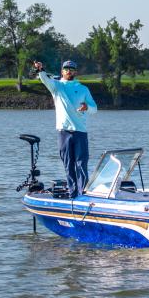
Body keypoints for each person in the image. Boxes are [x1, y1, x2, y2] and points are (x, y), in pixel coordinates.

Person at [34, 59, 98, 198]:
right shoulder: (56, 86)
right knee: (68, 164)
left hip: (80, 131)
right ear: (62, 71)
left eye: (71, 69)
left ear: (75, 72)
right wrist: (40, 69)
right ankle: (73, 192)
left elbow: (94, 108)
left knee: (81, 164)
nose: (69, 71)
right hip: (63, 132)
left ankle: (83, 194)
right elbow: (45, 80)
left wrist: (87, 107)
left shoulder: (83, 89)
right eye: (66, 69)